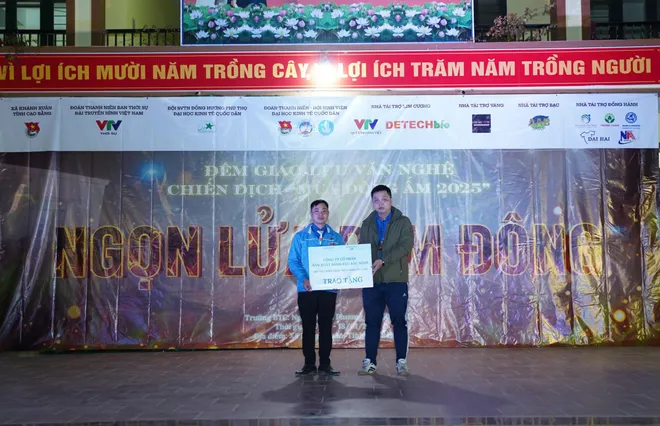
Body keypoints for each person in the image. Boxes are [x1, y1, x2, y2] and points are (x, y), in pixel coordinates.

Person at [358, 184, 413, 376]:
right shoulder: (367, 224)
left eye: (384, 199)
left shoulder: (403, 222)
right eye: (376, 200)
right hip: (372, 281)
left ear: (391, 200)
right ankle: (369, 361)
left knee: (399, 322)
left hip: (396, 280)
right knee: (372, 322)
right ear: (372, 203)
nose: (380, 203)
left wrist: (384, 260)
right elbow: (362, 249)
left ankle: (401, 361)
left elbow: (405, 246)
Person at [288, 199, 344, 377]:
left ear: (328, 213)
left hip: (329, 289)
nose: (320, 214)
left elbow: (342, 261)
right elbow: (293, 261)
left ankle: (325, 364)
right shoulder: (300, 237)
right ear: (311, 214)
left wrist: (339, 278)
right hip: (307, 289)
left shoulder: (336, 238)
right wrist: (303, 278)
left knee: (326, 326)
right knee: (308, 326)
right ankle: (309, 364)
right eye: (316, 210)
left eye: (324, 210)